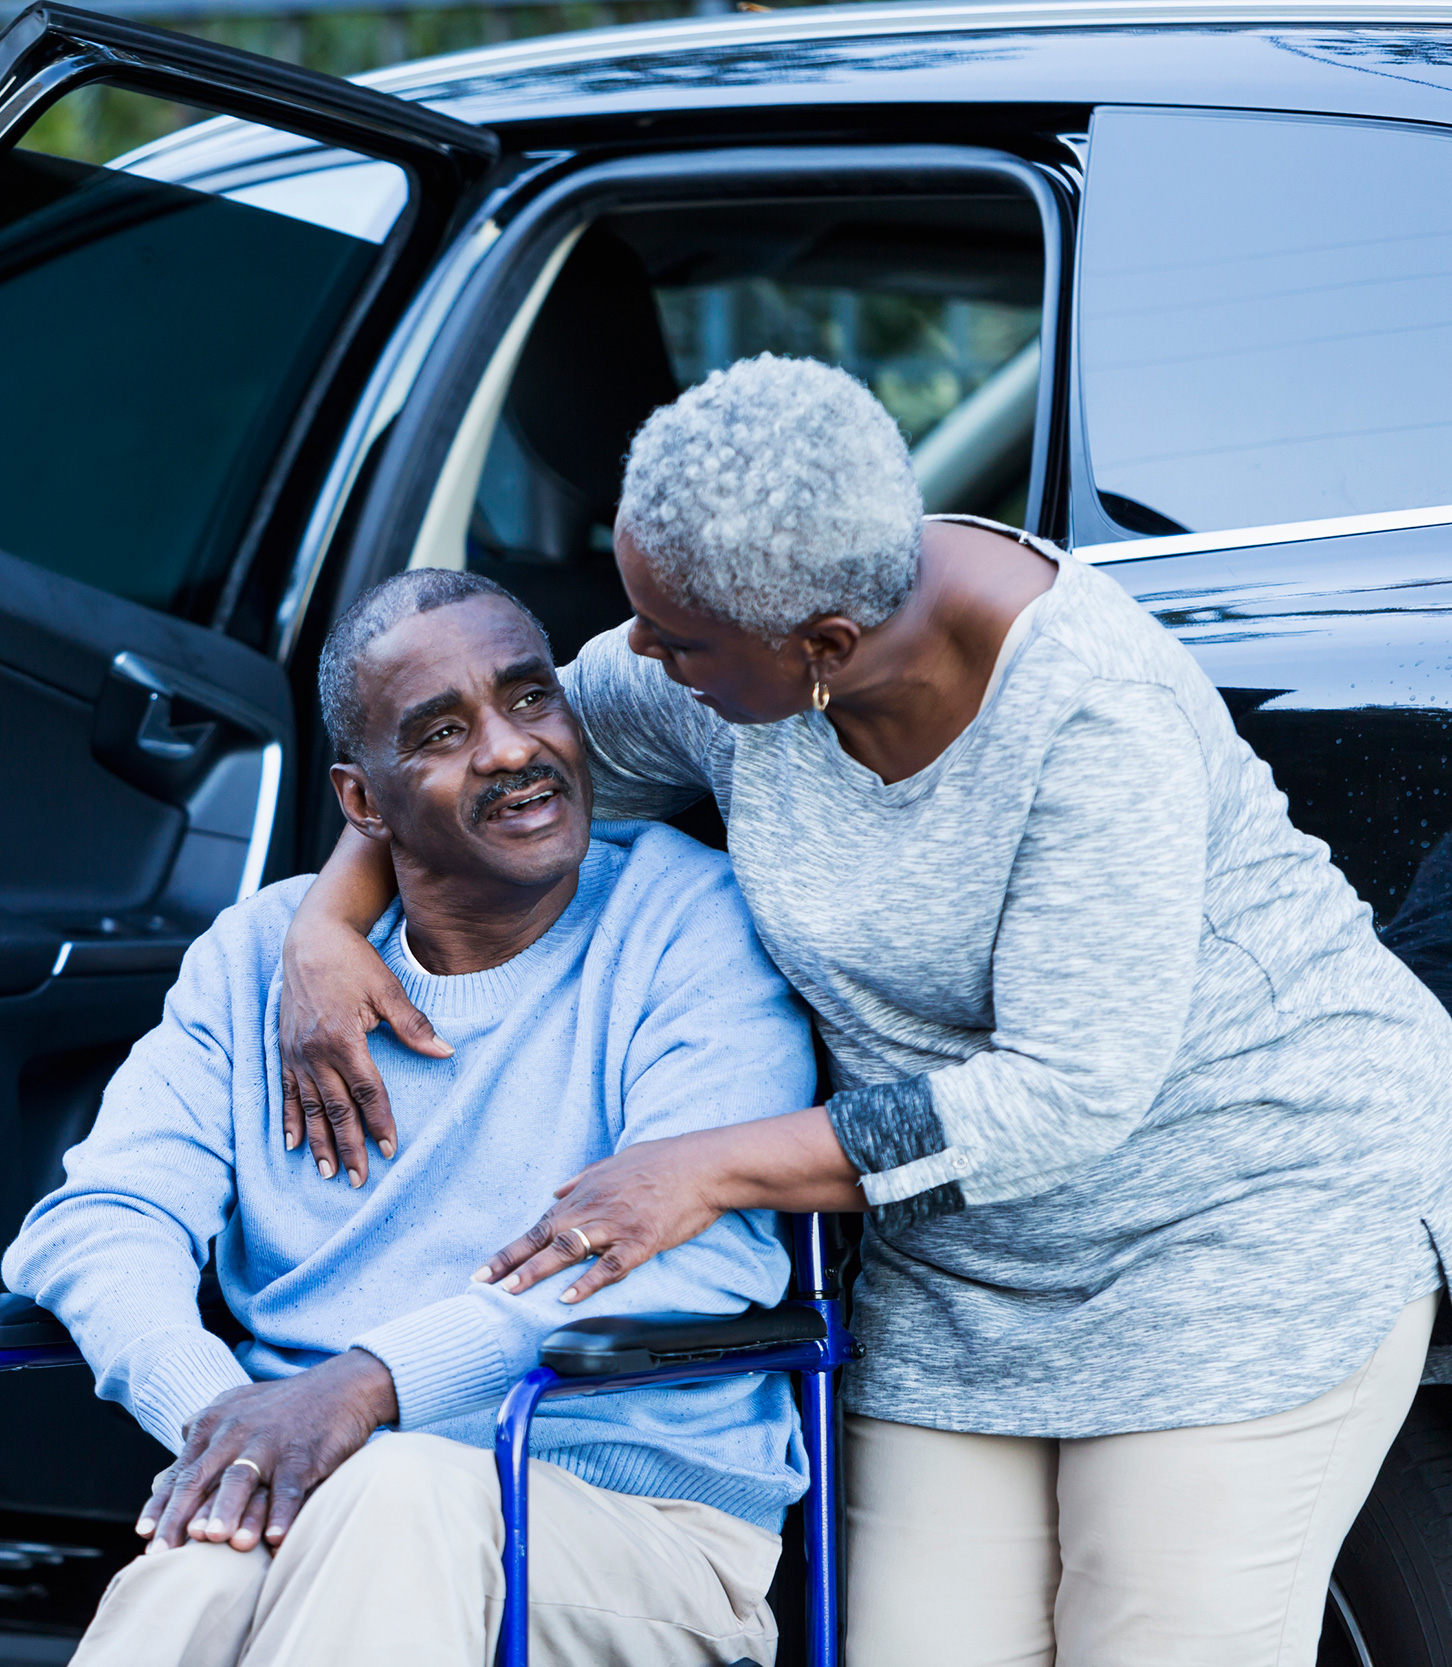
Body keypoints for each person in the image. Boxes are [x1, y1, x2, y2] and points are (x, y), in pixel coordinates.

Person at [275, 354, 1452, 1667]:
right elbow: (513, 765)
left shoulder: (1090, 719)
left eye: (672, 638)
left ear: (823, 647)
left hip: (1238, 1226)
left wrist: (708, 1163)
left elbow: (1063, 1095)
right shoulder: (733, 647)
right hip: (964, 1274)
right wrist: (328, 920)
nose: (637, 658)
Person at [3, 568, 822, 1667]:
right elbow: (95, 1216)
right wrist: (231, 1424)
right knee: (199, 1564)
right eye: (441, 731)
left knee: (395, 1488)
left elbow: (692, 1258)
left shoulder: (690, 923)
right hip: (330, 1487)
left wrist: (368, 1387)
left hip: (636, 1522)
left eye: (532, 699)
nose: (508, 749)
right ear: (361, 802)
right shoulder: (261, 959)